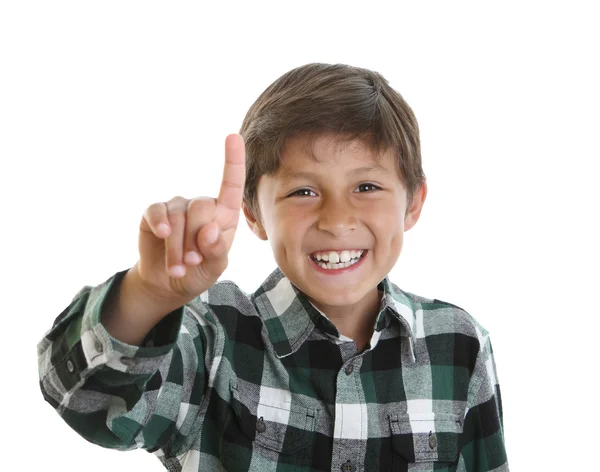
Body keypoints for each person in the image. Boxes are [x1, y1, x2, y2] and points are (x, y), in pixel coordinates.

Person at [37, 63, 508, 471]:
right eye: (303, 191)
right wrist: (150, 294)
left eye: (366, 186)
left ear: (413, 203)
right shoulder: (214, 335)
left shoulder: (459, 344)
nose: (337, 219)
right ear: (254, 213)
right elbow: (84, 399)